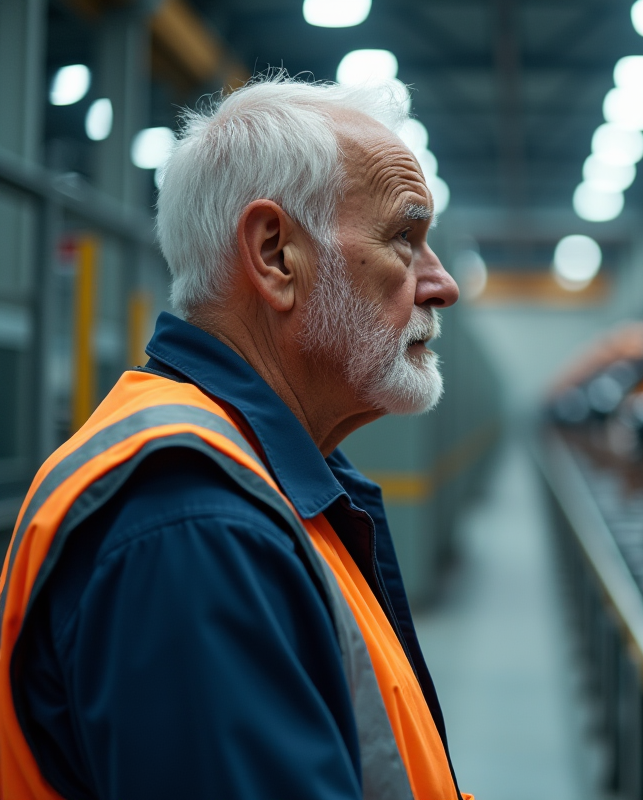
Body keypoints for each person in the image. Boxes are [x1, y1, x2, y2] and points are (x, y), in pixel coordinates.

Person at [0, 74, 470, 800]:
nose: (442, 284)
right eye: (404, 239)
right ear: (275, 254)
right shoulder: (192, 524)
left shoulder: (265, 486)